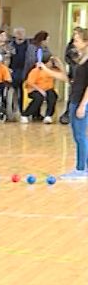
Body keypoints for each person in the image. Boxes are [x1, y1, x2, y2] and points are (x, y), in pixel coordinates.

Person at [60, 29, 88, 179]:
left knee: (80, 136)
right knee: (78, 136)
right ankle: (84, 168)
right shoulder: (81, 60)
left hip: (80, 102)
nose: (74, 43)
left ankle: (81, 169)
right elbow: (70, 80)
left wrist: (83, 105)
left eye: (77, 40)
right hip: (74, 99)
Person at [20, 53, 61, 124]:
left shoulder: (52, 70)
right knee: (39, 98)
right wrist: (40, 90)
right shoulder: (36, 70)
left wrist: (58, 62)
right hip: (34, 89)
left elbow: (62, 72)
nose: (52, 63)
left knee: (52, 96)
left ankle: (48, 116)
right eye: (51, 61)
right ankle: (25, 115)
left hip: (48, 89)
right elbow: (30, 82)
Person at [8, 27, 31, 113]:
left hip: (25, 70)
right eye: (18, 33)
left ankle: (23, 110)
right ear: (14, 35)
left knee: (23, 89)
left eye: (22, 33)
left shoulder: (29, 45)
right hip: (13, 70)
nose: (20, 34)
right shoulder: (10, 46)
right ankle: (12, 108)